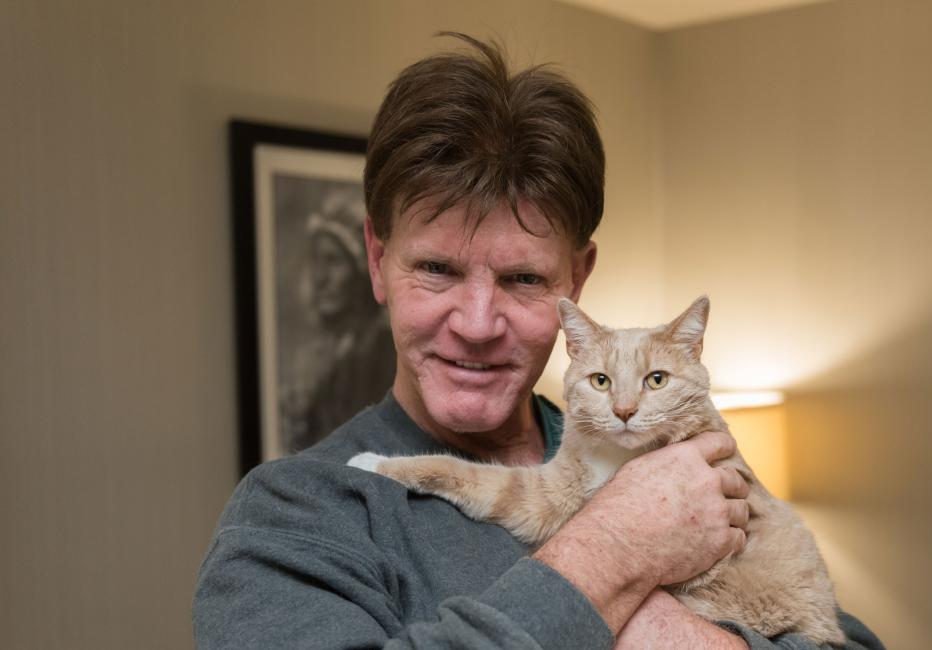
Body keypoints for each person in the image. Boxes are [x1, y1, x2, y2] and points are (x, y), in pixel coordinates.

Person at [194, 33, 885, 650]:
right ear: (377, 260)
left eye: (523, 278)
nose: (475, 322)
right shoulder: (296, 515)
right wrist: (613, 554)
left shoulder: (668, 459)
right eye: (437, 269)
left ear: (575, 282)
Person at [281, 190, 396, 452]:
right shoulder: (315, 357)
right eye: (316, 261)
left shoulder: (386, 351)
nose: (321, 277)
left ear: (363, 269)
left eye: (333, 261)